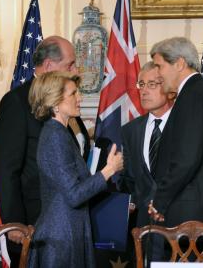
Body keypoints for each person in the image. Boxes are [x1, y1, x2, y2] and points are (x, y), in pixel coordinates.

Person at [0, 36, 90, 265]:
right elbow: (5, 167)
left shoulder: (66, 99)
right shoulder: (17, 102)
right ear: (48, 66)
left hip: (68, 221)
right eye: (70, 64)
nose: (76, 70)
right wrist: (14, 222)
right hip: (34, 222)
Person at [27, 71, 124, 268]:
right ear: (54, 102)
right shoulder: (55, 136)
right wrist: (108, 170)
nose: (79, 98)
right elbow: (74, 194)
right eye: (73, 94)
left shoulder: (59, 132)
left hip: (68, 231)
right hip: (61, 237)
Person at [148, 37, 203, 256]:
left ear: (179, 63)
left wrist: (160, 201)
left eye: (160, 66)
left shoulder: (193, 96)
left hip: (192, 218)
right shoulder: (200, 93)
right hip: (197, 216)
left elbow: (186, 159)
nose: (158, 74)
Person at [120, 61, 175, 261]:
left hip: (179, 228)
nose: (144, 91)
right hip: (143, 231)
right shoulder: (130, 130)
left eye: (152, 84)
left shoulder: (185, 125)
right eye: (141, 84)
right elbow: (128, 179)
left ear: (170, 89)